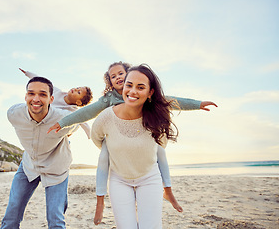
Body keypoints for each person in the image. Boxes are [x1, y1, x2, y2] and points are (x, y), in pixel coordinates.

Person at [47, 62, 218, 224]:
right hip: (114, 143)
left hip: (146, 161)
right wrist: (63, 123)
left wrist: (198, 104)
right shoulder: (108, 102)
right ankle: (100, 202)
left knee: (159, 151)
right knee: (104, 155)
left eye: (121, 73)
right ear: (110, 82)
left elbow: (171, 101)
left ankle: (168, 190)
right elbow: (85, 113)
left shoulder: (149, 103)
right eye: (114, 77)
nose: (119, 79)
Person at [91, 63, 181, 228]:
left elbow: (161, 150)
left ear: (150, 92)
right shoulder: (106, 117)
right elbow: (97, 139)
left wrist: (167, 187)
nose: (132, 92)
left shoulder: (157, 119)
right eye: (129, 85)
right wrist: (117, 149)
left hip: (149, 178)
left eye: (140, 87)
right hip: (119, 180)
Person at [1, 76, 79, 229]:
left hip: (56, 168)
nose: (36, 99)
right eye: (31, 93)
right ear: (25, 96)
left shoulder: (64, 119)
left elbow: (76, 123)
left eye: (42, 94)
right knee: (12, 213)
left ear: (51, 99)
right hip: (29, 165)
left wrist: (67, 134)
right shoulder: (14, 114)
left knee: (55, 219)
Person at [19, 68, 93, 138]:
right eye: (77, 88)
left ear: (78, 102)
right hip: (40, 114)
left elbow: (83, 121)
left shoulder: (73, 111)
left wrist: (90, 135)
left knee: (71, 127)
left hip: (51, 125)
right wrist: (27, 73)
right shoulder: (57, 91)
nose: (75, 89)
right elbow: (43, 82)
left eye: (78, 92)